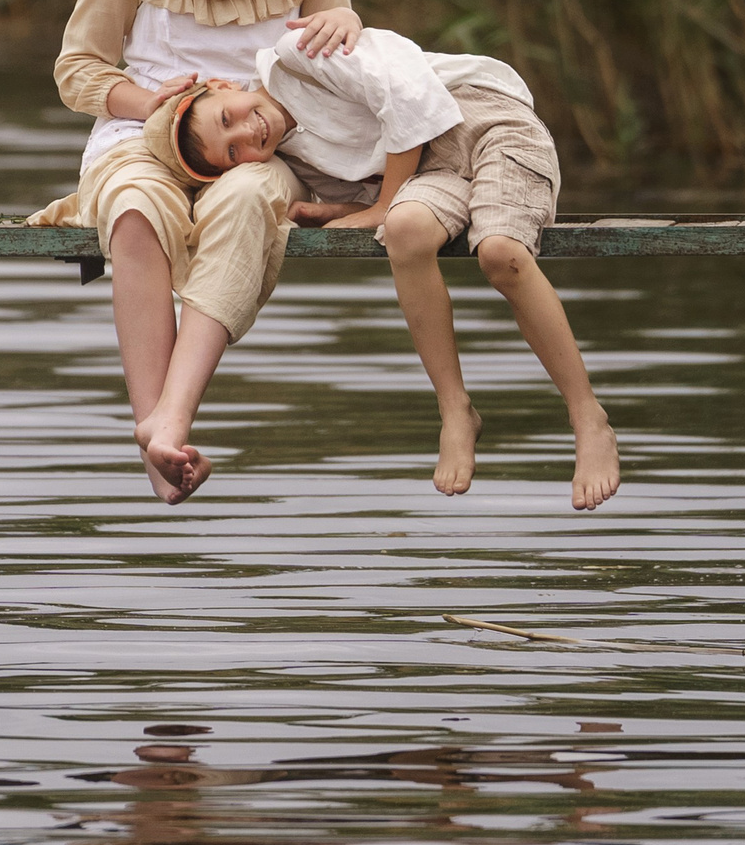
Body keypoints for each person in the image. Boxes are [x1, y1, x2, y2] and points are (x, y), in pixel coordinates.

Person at [28, 0, 361, 506]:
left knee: (245, 201)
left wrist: (349, 25)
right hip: (143, 131)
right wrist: (151, 101)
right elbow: (77, 68)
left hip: (263, 143)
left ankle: (173, 416)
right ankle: (154, 431)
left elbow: (343, 76)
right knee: (137, 206)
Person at [155, 26, 621, 510]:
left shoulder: (298, 56)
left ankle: (587, 417)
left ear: (222, 86)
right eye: (233, 152)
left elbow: (406, 92)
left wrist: (382, 204)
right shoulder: (295, 158)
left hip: (488, 125)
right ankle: (455, 410)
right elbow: (379, 191)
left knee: (499, 252)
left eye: (226, 117)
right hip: (431, 172)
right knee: (405, 229)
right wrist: (349, 210)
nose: (247, 132)